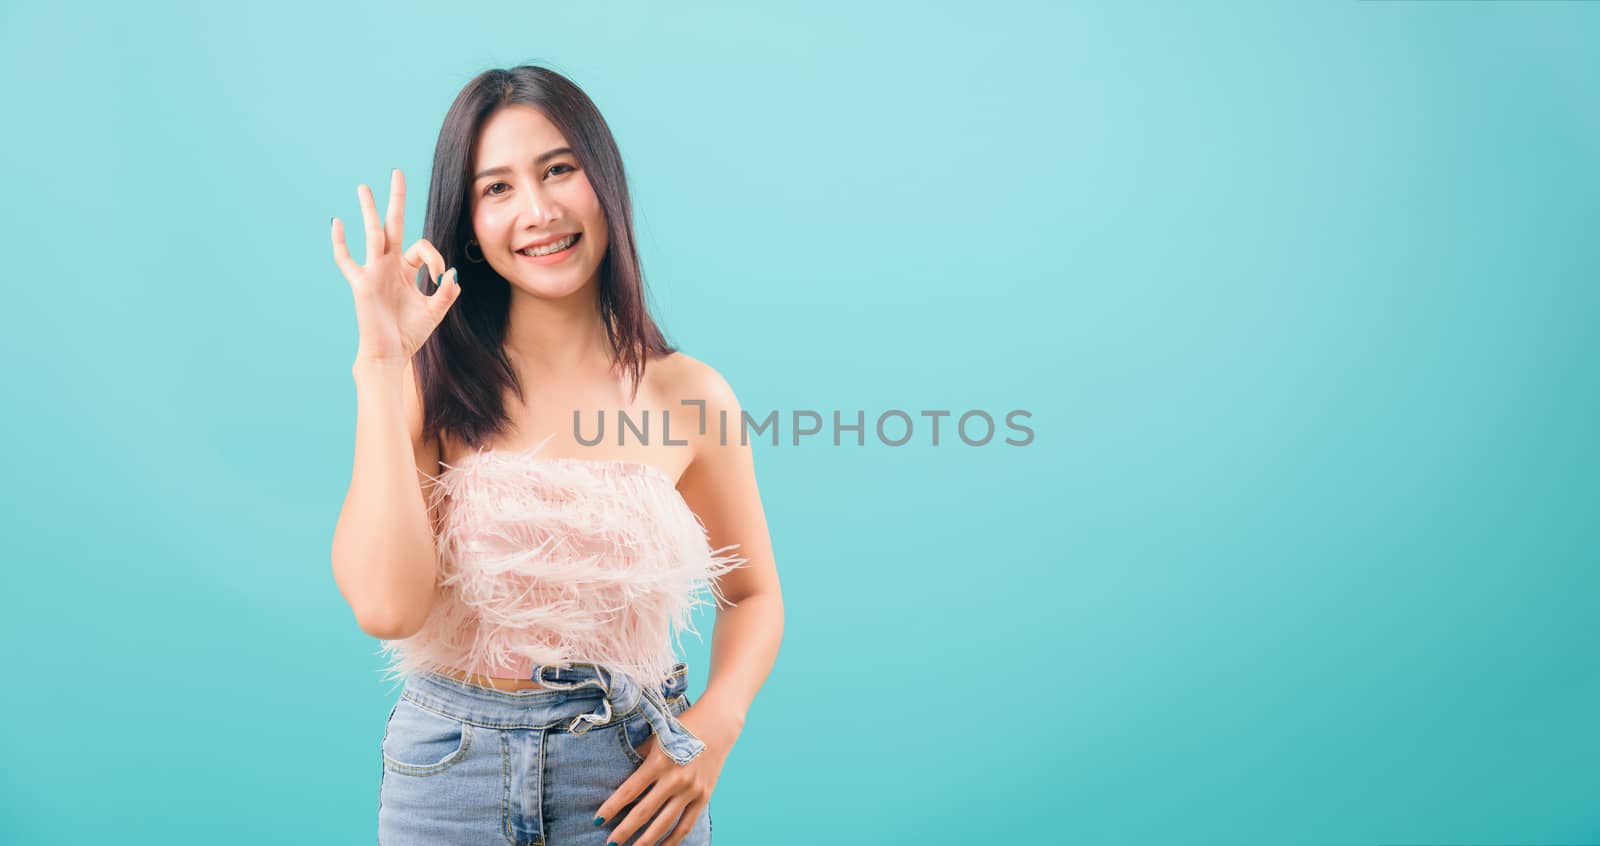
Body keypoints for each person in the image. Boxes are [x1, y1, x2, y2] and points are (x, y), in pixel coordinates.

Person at [328, 64, 784, 846]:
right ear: (469, 222)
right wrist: (380, 368)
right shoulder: (429, 384)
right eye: (497, 188)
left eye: (558, 170)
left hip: (629, 781)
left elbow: (755, 594)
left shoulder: (689, 394)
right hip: (448, 783)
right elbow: (387, 608)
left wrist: (715, 726)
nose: (538, 212)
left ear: (603, 180)